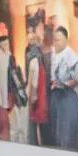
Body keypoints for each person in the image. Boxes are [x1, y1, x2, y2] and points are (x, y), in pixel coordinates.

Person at [48, 25, 78, 151]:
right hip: (56, 98)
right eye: (54, 40)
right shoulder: (52, 54)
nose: (55, 43)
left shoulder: (72, 57)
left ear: (66, 41)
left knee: (66, 136)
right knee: (56, 135)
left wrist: (66, 84)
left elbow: (77, 80)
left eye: (58, 40)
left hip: (68, 99)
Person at [25, 17, 50, 147]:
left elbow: (33, 81)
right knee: (37, 123)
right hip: (40, 93)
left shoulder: (33, 58)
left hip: (36, 95)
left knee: (34, 123)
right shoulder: (39, 56)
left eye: (30, 40)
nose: (28, 41)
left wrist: (32, 96)